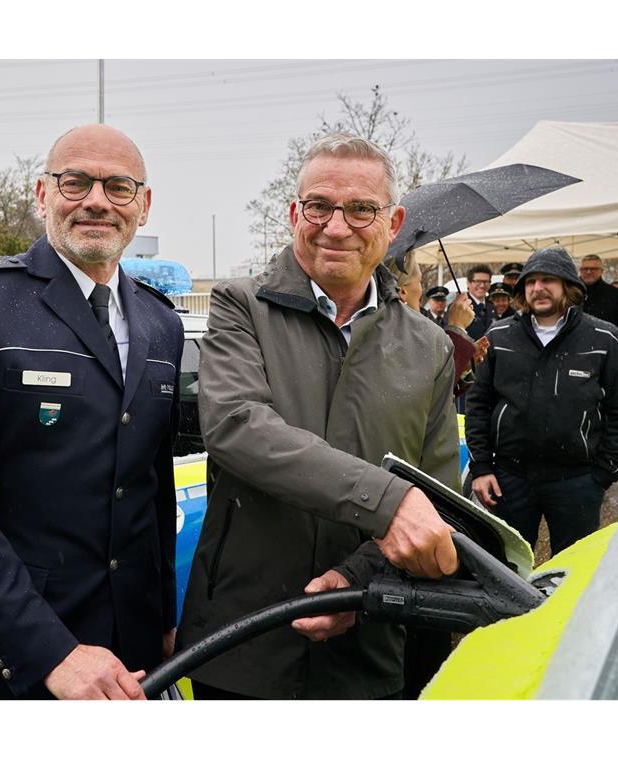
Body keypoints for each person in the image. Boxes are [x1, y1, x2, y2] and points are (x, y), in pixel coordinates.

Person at [0, 124, 184, 700]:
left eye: (119, 187)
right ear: (42, 194)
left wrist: (162, 619)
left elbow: (152, 490)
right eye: (75, 182)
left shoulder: (162, 324)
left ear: (144, 205)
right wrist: (50, 653)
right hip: (12, 663)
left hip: (128, 659)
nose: (97, 201)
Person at [177, 133, 460, 700]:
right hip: (243, 644)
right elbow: (237, 426)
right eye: (319, 206)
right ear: (294, 213)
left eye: (361, 209)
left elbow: (438, 492)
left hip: (368, 645)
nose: (336, 226)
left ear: (394, 221)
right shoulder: (241, 306)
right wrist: (387, 500)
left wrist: (356, 583)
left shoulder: (430, 346)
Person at [466, 247, 618, 556]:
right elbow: (478, 404)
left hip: (577, 481)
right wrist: (481, 467)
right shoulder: (500, 335)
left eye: (548, 279)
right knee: (506, 570)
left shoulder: (604, 338)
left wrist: (604, 473)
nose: (538, 288)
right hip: (511, 478)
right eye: (530, 282)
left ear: (569, 287)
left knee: (569, 575)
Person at [578, 254, 618, 355]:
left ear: (601, 271)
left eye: (593, 269)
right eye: (585, 269)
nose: (588, 272)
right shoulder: (570, 292)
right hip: (576, 348)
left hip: (605, 349)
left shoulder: (614, 294)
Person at [463, 264, 493, 341]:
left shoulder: (493, 305)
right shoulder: (459, 306)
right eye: (478, 281)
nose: (482, 285)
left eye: (486, 281)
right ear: (468, 283)